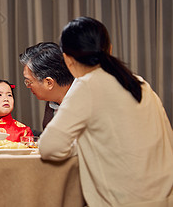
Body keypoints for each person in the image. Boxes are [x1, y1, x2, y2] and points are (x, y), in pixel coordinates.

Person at [38, 16, 173, 206]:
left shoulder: (86, 86)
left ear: (67, 59)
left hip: (125, 201)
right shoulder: (139, 83)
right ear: (109, 49)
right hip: (165, 196)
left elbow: (49, 147)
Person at [19, 42, 74, 129]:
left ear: (49, 83)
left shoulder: (85, 106)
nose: (28, 86)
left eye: (29, 81)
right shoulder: (52, 101)